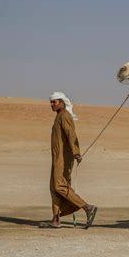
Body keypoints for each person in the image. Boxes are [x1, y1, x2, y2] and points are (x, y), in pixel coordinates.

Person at [39, 92, 97, 229]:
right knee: (54, 188)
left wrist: (76, 152)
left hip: (64, 158)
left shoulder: (64, 116)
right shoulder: (59, 116)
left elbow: (71, 135)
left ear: (62, 102)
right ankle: (55, 219)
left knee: (59, 185)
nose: (52, 104)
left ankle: (88, 207)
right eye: (51, 102)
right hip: (57, 157)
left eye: (55, 102)